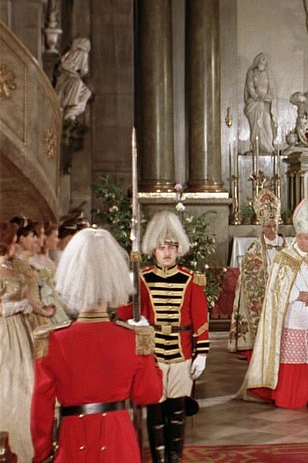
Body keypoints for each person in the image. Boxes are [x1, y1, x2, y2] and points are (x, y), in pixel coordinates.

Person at [30, 228, 163, 463]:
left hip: (72, 443)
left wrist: (43, 454)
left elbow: (41, 410)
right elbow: (148, 395)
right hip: (119, 441)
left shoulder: (51, 340)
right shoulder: (134, 338)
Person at [128, 211, 209, 463]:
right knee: (155, 409)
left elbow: (200, 319)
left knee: (177, 409)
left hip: (181, 351)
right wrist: (128, 293)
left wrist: (202, 353)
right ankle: (158, 459)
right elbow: (128, 314)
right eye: (162, 247)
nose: (167, 253)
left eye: (171, 247)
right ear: (153, 249)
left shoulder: (191, 279)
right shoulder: (142, 278)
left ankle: (174, 458)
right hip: (152, 354)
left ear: (178, 249)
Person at [242, 199, 308, 409]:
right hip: (293, 317)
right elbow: (275, 289)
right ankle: (288, 395)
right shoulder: (283, 258)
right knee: (292, 357)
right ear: (298, 237)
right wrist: (298, 295)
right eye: (306, 238)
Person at [0, 222, 53, 463]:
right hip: (4, 333)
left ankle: (29, 448)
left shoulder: (14, 267)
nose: (15, 246)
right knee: (8, 382)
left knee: (28, 383)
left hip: (21, 330)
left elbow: (27, 296)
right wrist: (20, 306)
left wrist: (36, 308)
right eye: (12, 242)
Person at [228, 189, 285, 358]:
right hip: (264, 296)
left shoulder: (287, 247)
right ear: (261, 226)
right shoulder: (254, 250)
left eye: (274, 225)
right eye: (268, 226)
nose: (272, 229)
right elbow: (247, 279)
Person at [244, 53, 277, 154]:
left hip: (265, 102)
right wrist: (255, 96)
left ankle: (268, 146)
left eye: (265, 59)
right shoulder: (252, 72)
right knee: (255, 126)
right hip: (254, 103)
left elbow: (272, 88)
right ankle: (257, 146)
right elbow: (250, 86)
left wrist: (266, 97)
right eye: (262, 58)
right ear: (258, 60)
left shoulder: (268, 73)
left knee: (266, 122)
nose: (264, 60)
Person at [55, 37, 92, 121]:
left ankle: (70, 113)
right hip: (68, 78)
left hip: (69, 78)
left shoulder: (76, 54)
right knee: (78, 85)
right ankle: (68, 112)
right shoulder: (80, 54)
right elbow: (83, 70)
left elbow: (83, 70)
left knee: (86, 92)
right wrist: (75, 72)